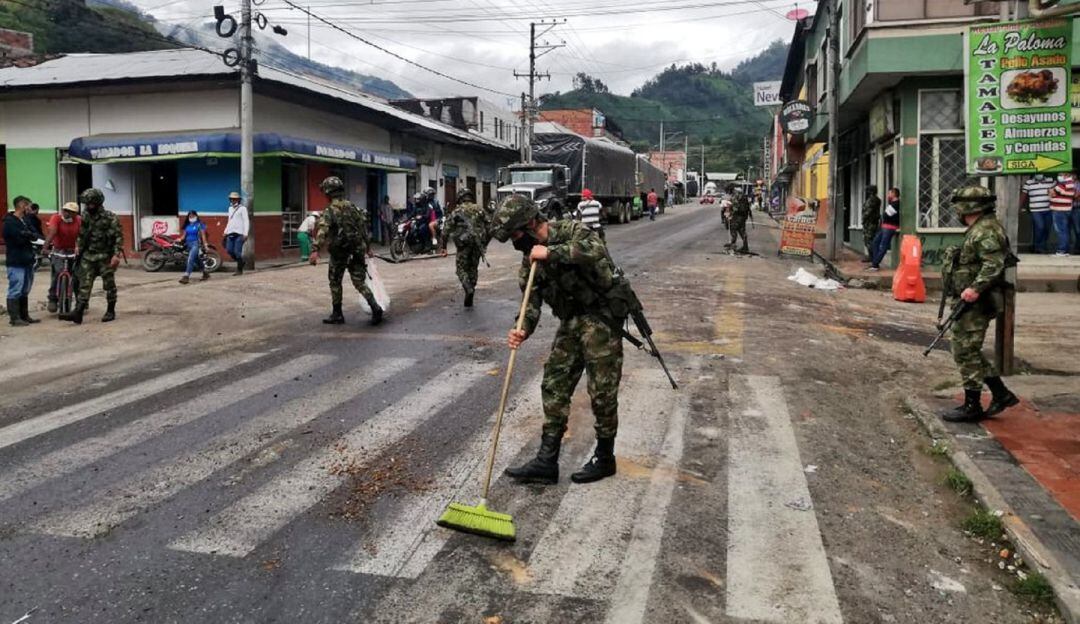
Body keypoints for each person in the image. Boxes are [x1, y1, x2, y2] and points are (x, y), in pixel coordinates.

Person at [491, 195, 624, 485]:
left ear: (529, 224)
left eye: (515, 234)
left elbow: (595, 249)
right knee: (554, 384)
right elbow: (531, 303)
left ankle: (605, 458)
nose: (515, 242)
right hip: (570, 323)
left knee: (601, 391)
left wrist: (551, 253)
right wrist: (521, 329)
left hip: (601, 320)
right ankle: (546, 461)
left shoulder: (572, 231)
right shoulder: (529, 260)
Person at [940, 185, 1019, 423]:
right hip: (970, 300)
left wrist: (974, 289)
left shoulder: (986, 230)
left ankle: (972, 404)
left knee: (964, 350)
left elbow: (993, 264)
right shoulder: (979, 229)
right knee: (967, 348)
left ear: (969, 207)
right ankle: (1000, 393)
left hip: (978, 301)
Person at [308, 176, 383, 325]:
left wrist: (315, 250)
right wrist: (368, 248)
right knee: (359, 282)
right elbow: (362, 228)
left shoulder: (330, 210)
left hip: (339, 253)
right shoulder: (352, 206)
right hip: (356, 250)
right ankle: (375, 308)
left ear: (328, 192)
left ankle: (337, 314)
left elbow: (323, 230)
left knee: (335, 282)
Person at [59, 188, 123, 324]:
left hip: (105, 256)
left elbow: (118, 236)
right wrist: (78, 246)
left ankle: (110, 310)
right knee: (84, 284)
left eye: (91, 204)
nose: (88, 207)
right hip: (88, 255)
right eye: (86, 204)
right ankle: (78, 312)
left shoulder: (110, 217)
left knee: (109, 285)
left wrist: (116, 255)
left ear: (98, 203)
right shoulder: (86, 215)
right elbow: (82, 233)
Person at [443, 187, 489, 308]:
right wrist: (484, 243)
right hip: (477, 244)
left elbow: (445, 231)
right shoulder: (479, 209)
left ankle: (467, 287)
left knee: (461, 269)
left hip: (463, 245)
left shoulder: (457, 211)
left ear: (460, 198)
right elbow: (490, 226)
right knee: (473, 268)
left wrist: (443, 247)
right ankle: (471, 290)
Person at [3, 196, 41, 326]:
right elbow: (16, 239)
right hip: (15, 260)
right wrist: (26, 235)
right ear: (21, 206)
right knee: (16, 288)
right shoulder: (9, 222)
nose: (30, 208)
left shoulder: (26, 220)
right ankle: (14, 318)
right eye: (28, 205)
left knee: (25, 289)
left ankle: (24, 315)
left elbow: (35, 234)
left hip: (28, 259)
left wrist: (28, 235)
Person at [43, 201, 82, 313]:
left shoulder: (79, 220)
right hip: (59, 250)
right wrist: (45, 248)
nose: (66, 213)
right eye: (65, 210)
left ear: (75, 214)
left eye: (70, 212)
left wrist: (78, 247)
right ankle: (53, 299)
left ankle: (80, 301)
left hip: (73, 250)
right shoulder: (56, 218)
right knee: (57, 273)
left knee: (76, 276)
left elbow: (81, 235)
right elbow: (52, 232)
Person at [1020, 174, 1054, 253]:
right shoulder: (1029, 182)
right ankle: (1039, 247)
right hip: (1035, 210)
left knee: (1047, 229)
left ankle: (1041, 246)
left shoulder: (1050, 180)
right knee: (1040, 227)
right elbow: (1023, 195)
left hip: (1049, 209)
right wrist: (1020, 206)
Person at [869, 187, 901, 271]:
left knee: (883, 246)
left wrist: (884, 216)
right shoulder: (892, 204)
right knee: (875, 242)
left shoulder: (896, 204)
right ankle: (875, 262)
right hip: (884, 227)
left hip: (890, 227)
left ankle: (875, 264)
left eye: (890, 193)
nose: (888, 195)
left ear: (894, 194)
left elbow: (886, 215)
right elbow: (885, 215)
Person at [178, 211, 210, 285]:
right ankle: (205, 273)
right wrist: (179, 239)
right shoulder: (187, 225)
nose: (191, 217)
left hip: (195, 244)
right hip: (188, 245)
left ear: (196, 216)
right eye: (190, 216)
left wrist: (205, 245)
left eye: (193, 216)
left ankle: (186, 276)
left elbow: (203, 235)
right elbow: (184, 236)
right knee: (197, 260)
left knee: (190, 258)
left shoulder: (199, 225)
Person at [1049, 172, 1075, 257]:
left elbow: (1051, 193)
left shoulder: (1065, 184)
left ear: (1067, 175)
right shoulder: (1070, 184)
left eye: (1061, 174)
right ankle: (1065, 250)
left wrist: (1052, 192)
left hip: (1059, 210)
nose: (1059, 176)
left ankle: (1061, 250)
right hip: (1066, 209)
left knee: (1061, 231)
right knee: (1065, 231)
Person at [223, 191, 249, 275]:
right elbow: (229, 221)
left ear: (238, 199)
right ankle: (241, 262)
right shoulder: (230, 208)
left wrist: (245, 233)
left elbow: (246, 221)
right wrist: (225, 231)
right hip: (230, 232)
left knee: (237, 252)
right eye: (231, 199)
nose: (233, 200)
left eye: (235, 199)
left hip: (239, 233)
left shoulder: (243, 209)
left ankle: (239, 270)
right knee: (229, 250)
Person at [726, 187, 751, 254]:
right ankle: (745, 247)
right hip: (743, 217)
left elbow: (735, 208)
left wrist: (730, 213)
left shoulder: (737, 197)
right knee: (742, 231)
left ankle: (732, 246)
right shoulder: (744, 198)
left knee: (733, 229)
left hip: (737, 217)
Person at [861, 185, 881, 260]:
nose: (867, 192)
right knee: (868, 239)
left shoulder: (873, 200)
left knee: (869, 239)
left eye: (868, 191)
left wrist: (863, 219)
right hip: (870, 222)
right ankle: (871, 256)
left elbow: (869, 211)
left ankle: (873, 256)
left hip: (870, 222)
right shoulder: (873, 199)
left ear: (871, 191)